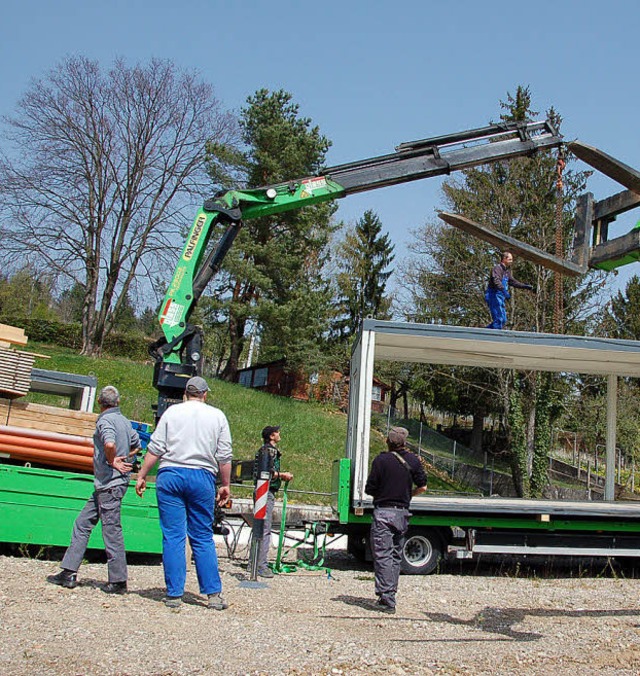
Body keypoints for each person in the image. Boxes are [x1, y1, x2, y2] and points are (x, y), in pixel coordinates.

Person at [135, 376, 232, 611]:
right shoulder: (217, 416)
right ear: (205, 394)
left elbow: (156, 447)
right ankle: (213, 595)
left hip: (171, 474)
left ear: (185, 394)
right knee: (201, 536)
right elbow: (224, 454)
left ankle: (174, 594)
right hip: (201, 477)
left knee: (173, 535)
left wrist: (141, 474)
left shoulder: (171, 413)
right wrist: (226, 484)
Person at [47, 386, 140, 594]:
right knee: (82, 523)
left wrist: (113, 461)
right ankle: (68, 572)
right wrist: (127, 458)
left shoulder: (105, 420)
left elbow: (108, 443)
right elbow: (138, 444)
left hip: (109, 484)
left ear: (100, 403)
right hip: (108, 485)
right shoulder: (125, 421)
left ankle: (118, 581)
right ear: (117, 402)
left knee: (111, 530)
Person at [364, 426, 427, 613]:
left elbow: (369, 489)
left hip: (383, 512)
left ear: (387, 442)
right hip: (402, 513)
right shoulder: (414, 461)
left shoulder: (381, 460)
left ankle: (387, 598)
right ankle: (391, 592)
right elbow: (423, 486)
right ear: (405, 442)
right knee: (395, 555)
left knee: (382, 554)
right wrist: (409, 494)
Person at [253, 425, 293, 578]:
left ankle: (255, 562)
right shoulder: (269, 451)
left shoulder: (264, 450)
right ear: (271, 436)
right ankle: (261, 565)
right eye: (277, 432)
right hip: (266, 492)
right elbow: (266, 472)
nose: (279, 434)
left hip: (263, 492)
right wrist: (282, 475)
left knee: (259, 527)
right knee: (264, 528)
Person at [484, 251, 534, 329]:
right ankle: (493, 336)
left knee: (503, 319)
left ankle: (485, 332)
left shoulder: (506, 272)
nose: (511, 261)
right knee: (499, 319)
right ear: (504, 259)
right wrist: (504, 291)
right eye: (510, 259)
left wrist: (524, 286)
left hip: (500, 296)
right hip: (493, 295)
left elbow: (513, 282)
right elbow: (496, 281)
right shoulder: (497, 268)